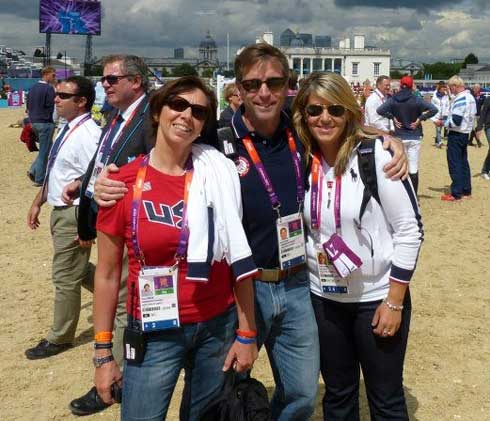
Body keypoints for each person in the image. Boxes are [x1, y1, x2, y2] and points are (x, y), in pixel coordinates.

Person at [94, 43, 408, 421]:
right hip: (241, 286)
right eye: (253, 83)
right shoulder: (214, 138)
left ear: (287, 86)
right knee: (218, 391)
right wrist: (103, 182)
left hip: (297, 283)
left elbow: (340, 123)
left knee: (302, 394)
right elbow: (160, 153)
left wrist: (389, 139)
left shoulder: (301, 128)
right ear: (239, 89)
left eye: (274, 83)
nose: (264, 92)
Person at [92, 76, 258, 420]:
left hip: (216, 325)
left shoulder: (219, 175)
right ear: (157, 112)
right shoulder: (121, 182)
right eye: (178, 105)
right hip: (154, 330)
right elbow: (107, 275)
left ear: (204, 124)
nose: (186, 116)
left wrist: (246, 332)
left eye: (198, 111)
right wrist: (104, 354)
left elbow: (236, 260)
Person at [292, 71, 423, 420]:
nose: (325, 118)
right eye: (315, 110)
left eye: (335, 109)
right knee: (338, 396)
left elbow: (410, 230)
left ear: (350, 113)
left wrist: (394, 302)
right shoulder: (301, 160)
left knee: (386, 400)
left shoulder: (376, 156)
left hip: (375, 299)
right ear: (303, 115)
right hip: (324, 299)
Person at [63, 54, 154, 416]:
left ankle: (112, 380)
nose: (106, 85)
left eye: (113, 79)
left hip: (130, 224)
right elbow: (103, 159)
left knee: (120, 305)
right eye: (104, 80)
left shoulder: (151, 117)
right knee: (113, 297)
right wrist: (81, 184)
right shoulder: (117, 116)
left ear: (136, 81)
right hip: (105, 216)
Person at [25, 76, 100, 359]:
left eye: (62, 96)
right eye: (56, 94)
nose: (55, 99)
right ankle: (125, 302)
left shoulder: (88, 134)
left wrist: (86, 223)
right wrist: (38, 202)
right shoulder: (67, 128)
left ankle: (60, 336)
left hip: (75, 211)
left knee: (65, 275)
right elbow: (57, 170)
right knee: (76, 271)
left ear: (81, 102)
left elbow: (98, 173)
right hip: (60, 209)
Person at [377, 75, 438, 194]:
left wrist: (392, 117)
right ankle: (414, 196)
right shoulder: (416, 99)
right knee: (413, 167)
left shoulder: (394, 99)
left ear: (400, 85)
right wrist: (421, 118)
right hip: (414, 136)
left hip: (399, 137)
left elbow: (380, 110)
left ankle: (402, 194)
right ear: (411, 86)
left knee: (400, 166)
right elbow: (434, 109)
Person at [441, 75, 476, 201]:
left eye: (451, 88)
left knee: (454, 163)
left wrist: (442, 123)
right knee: (463, 162)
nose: (450, 90)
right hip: (465, 133)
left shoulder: (460, 98)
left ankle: (456, 193)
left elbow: (456, 120)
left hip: (456, 133)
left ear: (455, 86)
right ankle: (466, 191)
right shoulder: (471, 97)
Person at [27, 66, 56, 186]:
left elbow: (28, 105)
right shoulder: (48, 88)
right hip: (45, 122)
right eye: (53, 75)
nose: (54, 77)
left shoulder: (33, 87)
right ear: (47, 74)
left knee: (47, 148)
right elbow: (51, 106)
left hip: (33, 122)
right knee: (45, 151)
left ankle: (33, 170)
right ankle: (39, 178)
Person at [431, 81, 450, 148]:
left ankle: (436, 141)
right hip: (437, 115)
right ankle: (439, 142)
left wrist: (446, 113)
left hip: (444, 115)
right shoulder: (434, 96)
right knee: (438, 129)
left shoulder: (446, 96)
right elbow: (432, 106)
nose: (444, 90)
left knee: (440, 128)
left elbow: (448, 105)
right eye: (442, 88)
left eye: (444, 89)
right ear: (439, 89)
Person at [476, 93, 490, 179]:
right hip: (489, 126)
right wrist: (479, 128)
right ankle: (484, 171)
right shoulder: (488, 99)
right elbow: (483, 113)